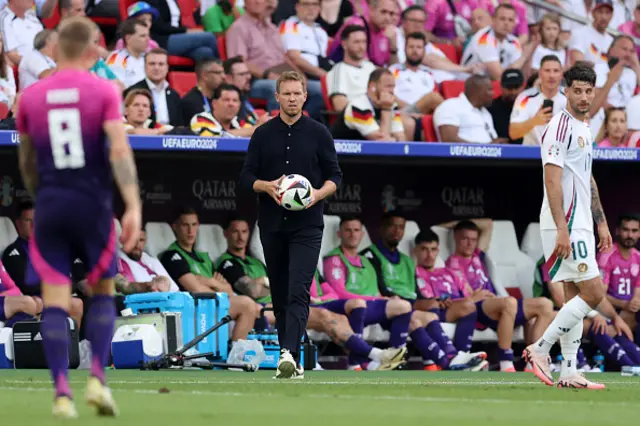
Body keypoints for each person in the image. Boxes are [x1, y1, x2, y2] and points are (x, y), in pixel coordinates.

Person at [15, 16, 142, 417]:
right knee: (102, 290)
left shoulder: (31, 97)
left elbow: (27, 159)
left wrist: (44, 195)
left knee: (55, 299)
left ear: (54, 48)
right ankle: (98, 381)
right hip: (93, 204)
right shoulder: (103, 89)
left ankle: (61, 394)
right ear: (91, 49)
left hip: (51, 203)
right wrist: (134, 204)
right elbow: (120, 151)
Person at [524, 63, 632, 390]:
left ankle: (569, 370)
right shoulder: (559, 126)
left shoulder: (584, 126)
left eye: (589, 91)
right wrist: (562, 227)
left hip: (582, 222)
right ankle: (539, 349)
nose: (584, 96)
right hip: (565, 221)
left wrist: (600, 221)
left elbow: (587, 177)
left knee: (573, 294)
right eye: (578, 90)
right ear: (565, 91)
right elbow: (552, 179)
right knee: (594, 292)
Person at [239, 71, 342, 379]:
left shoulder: (319, 132)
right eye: (287, 94)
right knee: (281, 293)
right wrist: (266, 186)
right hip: (272, 224)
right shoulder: (263, 133)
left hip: (308, 225)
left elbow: (335, 177)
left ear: (304, 96)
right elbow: (245, 178)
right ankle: (291, 357)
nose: (293, 98)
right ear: (277, 96)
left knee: (298, 290)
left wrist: (316, 194)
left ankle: (288, 353)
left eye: (297, 93)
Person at [444, 219, 555, 372]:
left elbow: (488, 224)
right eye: (464, 239)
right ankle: (506, 362)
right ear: (455, 238)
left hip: (496, 303)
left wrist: (450, 224)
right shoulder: (453, 263)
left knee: (545, 304)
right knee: (509, 302)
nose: (470, 243)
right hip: (479, 308)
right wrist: (446, 229)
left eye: (473, 239)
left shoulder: (478, 255)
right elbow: (467, 296)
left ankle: (533, 362)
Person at [509, 55, 567, 146]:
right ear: (540, 74)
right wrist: (534, 121)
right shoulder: (525, 98)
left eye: (556, 71)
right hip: (532, 156)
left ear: (561, 75)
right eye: (547, 71)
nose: (551, 75)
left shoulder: (571, 98)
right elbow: (513, 133)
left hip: (562, 156)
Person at [597, 213, 640, 334]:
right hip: (608, 310)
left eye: (634, 230)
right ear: (617, 231)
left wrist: (635, 302)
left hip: (630, 312)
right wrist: (624, 304)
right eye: (625, 230)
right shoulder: (606, 256)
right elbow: (599, 295)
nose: (630, 235)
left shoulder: (638, 258)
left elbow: (638, 292)